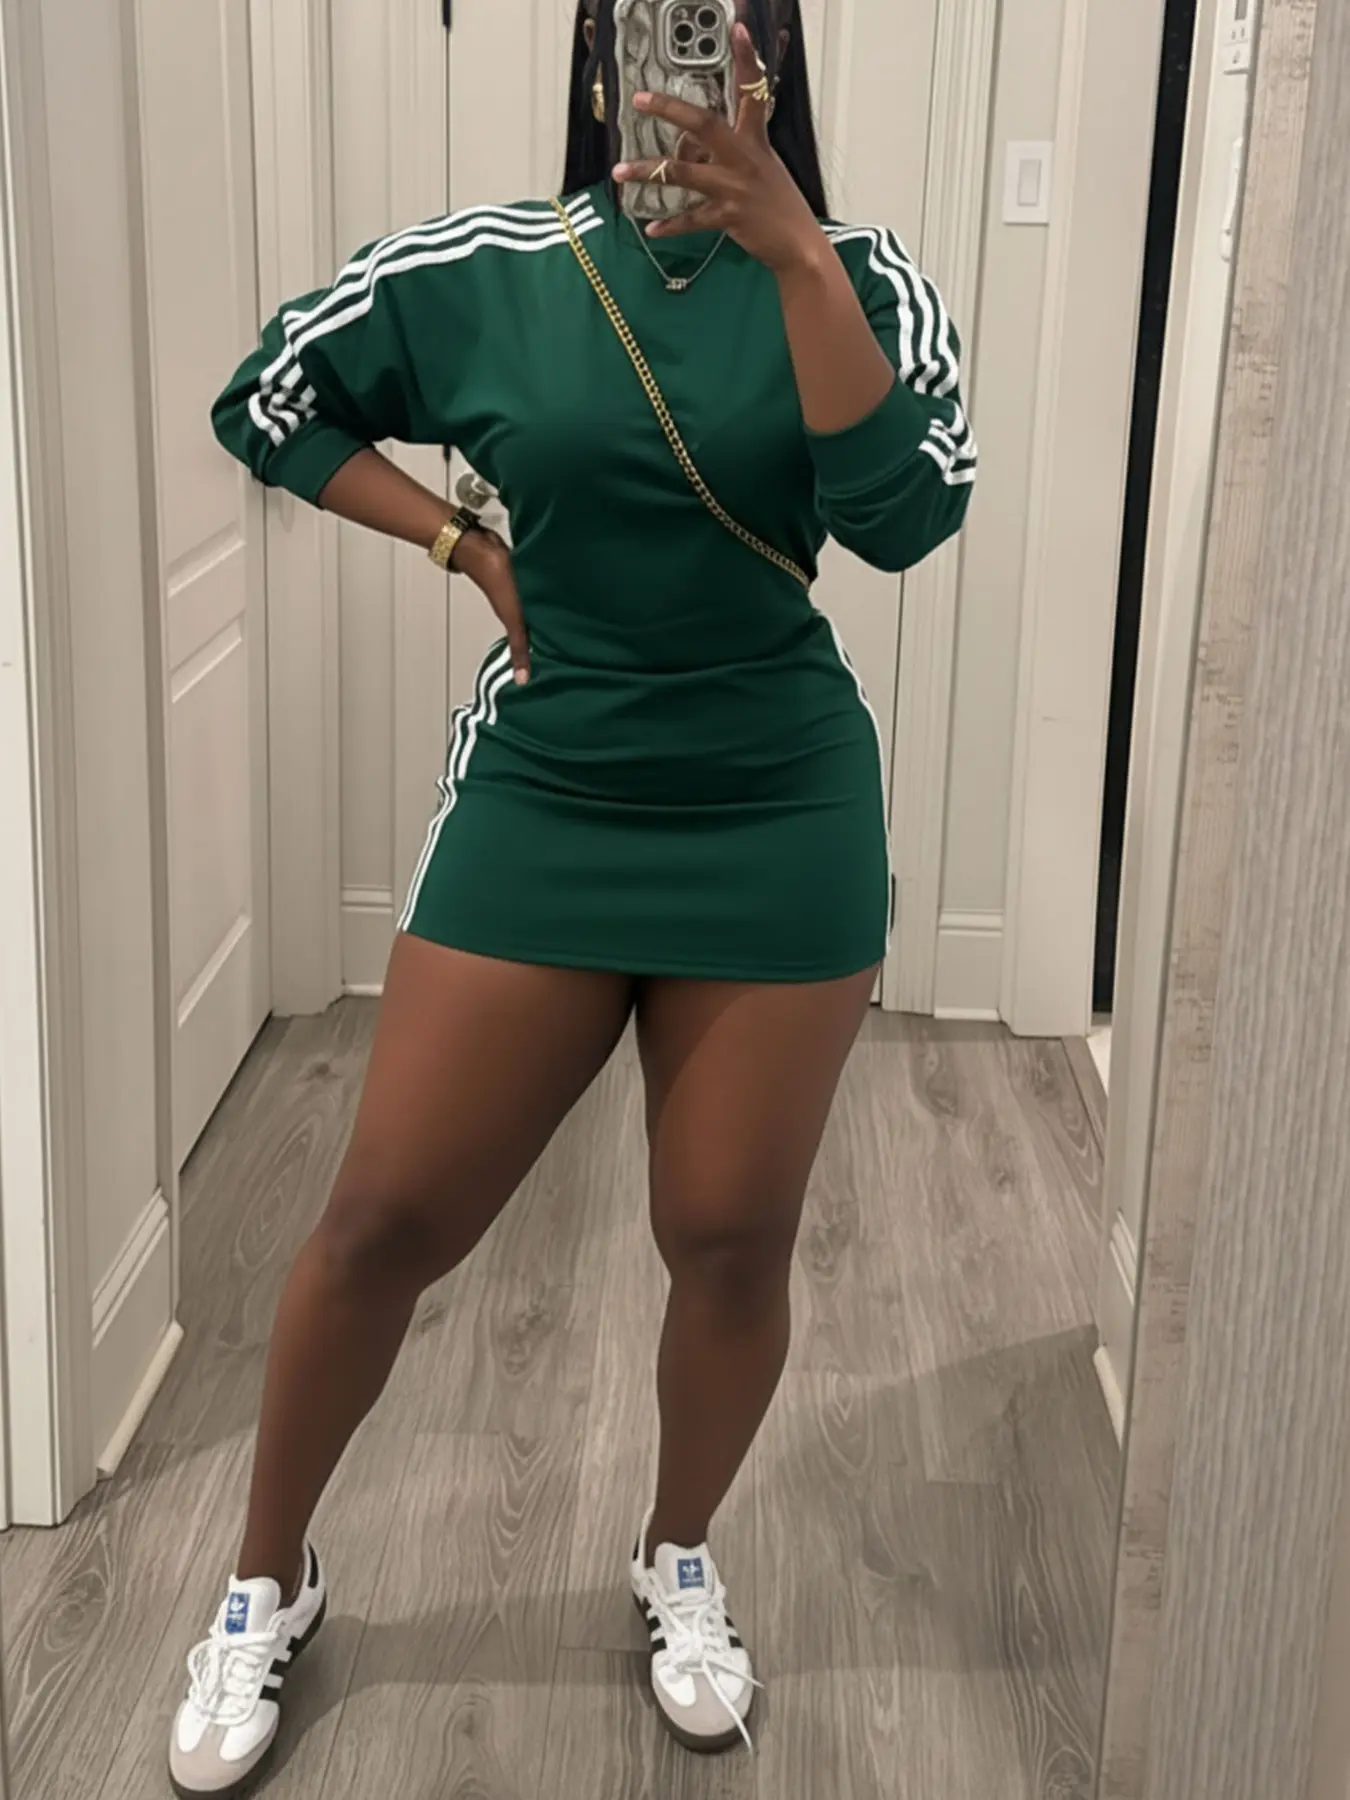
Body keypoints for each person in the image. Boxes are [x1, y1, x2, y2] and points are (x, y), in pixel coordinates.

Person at [167, 0, 975, 1790]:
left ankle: (678, 1554)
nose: (681, 68)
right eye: (645, 26)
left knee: (729, 1233)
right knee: (385, 1215)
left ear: (769, 66)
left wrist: (795, 256)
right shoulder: (492, 268)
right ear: (600, 61)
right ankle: (263, 1578)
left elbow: (906, 519)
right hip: (553, 789)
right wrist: (459, 543)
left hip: (776, 806)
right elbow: (269, 399)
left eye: (721, 30)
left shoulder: (862, 277)